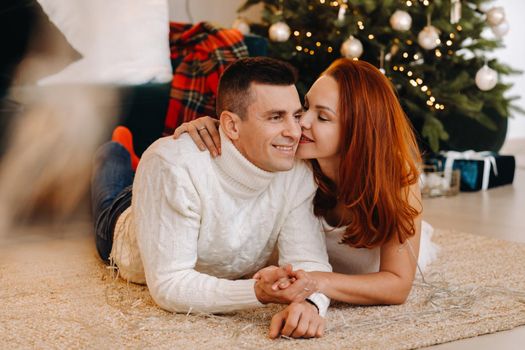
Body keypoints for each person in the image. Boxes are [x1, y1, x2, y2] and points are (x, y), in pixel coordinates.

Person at [90, 57, 333, 339]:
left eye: (296, 114)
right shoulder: (171, 165)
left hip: (170, 189)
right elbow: (169, 284)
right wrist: (256, 292)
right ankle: (116, 150)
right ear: (230, 126)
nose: (294, 132)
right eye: (276, 117)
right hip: (127, 222)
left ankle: (130, 160)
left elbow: (310, 262)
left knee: (151, 177)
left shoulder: (296, 171)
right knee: (110, 185)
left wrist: (311, 303)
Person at [174, 58, 438, 310]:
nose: (301, 123)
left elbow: (397, 285)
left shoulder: (397, 177)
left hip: (364, 276)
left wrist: (316, 281)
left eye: (322, 117)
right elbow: (252, 131)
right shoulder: (296, 161)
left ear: (357, 130)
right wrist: (219, 126)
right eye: (305, 107)